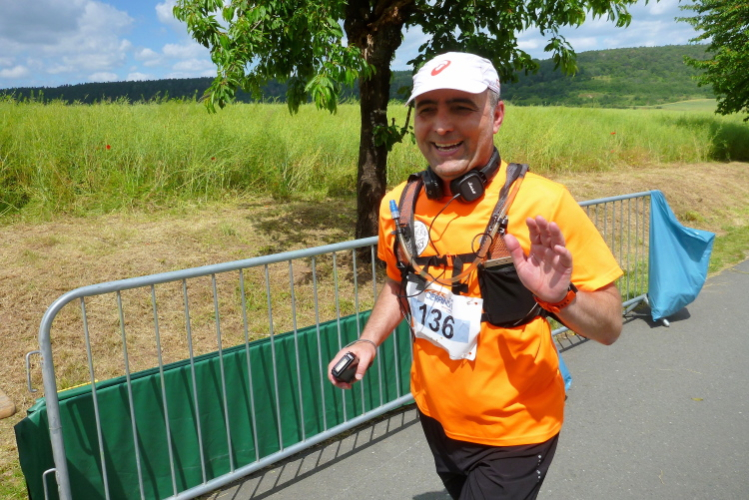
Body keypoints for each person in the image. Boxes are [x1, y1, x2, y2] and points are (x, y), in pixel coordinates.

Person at [328, 52, 623, 500]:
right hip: (435, 415)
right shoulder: (398, 205)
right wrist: (368, 341)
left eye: (461, 107)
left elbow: (610, 326)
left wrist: (561, 298)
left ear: (496, 115)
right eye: (427, 110)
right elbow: (398, 282)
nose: (441, 125)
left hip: (517, 428)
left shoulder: (545, 204)